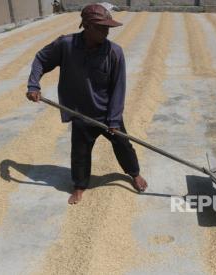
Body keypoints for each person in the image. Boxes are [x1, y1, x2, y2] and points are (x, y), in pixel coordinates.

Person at [26, 4, 148, 204]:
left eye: (108, 27)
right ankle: (80, 186)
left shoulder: (114, 52)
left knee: (124, 145)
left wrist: (114, 120)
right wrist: (34, 85)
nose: (107, 31)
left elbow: (119, 88)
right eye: (102, 27)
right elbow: (41, 58)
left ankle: (134, 173)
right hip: (81, 113)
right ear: (88, 26)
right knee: (80, 153)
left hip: (106, 114)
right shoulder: (66, 45)